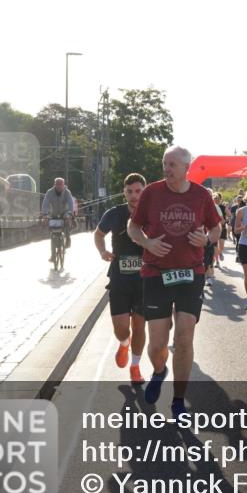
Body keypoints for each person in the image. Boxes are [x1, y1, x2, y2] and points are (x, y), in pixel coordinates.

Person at [128, 146, 222, 419]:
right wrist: (146, 242)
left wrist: (207, 239)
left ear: (186, 168)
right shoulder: (152, 193)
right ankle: (159, 370)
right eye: (164, 164)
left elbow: (216, 228)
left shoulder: (201, 195)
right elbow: (133, 227)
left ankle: (179, 400)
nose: (166, 169)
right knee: (157, 344)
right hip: (156, 273)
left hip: (190, 274)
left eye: (172, 165)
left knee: (184, 336)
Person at [94, 173, 148, 384]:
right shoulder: (114, 213)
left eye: (138, 191)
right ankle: (124, 343)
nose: (134, 196)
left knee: (140, 327)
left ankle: (135, 366)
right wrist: (102, 251)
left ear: (145, 190)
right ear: (124, 192)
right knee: (121, 328)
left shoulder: (152, 213)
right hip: (119, 278)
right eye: (129, 192)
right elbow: (98, 234)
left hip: (144, 279)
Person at [41, 178, 76, 260]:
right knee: (51, 232)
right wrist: (45, 214)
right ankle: (53, 255)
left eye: (61, 184)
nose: (59, 186)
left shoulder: (67, 193)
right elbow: (45, 203)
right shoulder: (49, 192)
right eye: (57, 184)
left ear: (63, 185)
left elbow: (70, 203)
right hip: (54, 214)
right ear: (54, 185)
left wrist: (69, 213)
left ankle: (67, 239)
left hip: (65, 214)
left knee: (67, 225)